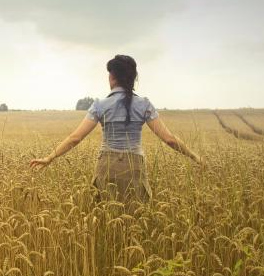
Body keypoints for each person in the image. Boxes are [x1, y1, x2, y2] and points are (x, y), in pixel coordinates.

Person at [29, 54, 203, 203]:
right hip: (134, 166)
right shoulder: (144, 105)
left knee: (106, 217)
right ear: (132, 78)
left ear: (112, 77)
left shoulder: (99, 105)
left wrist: (49, 157)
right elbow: (170, 139)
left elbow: (75, 138)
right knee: (134, 218)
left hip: (107, 165)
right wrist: (195, 157)